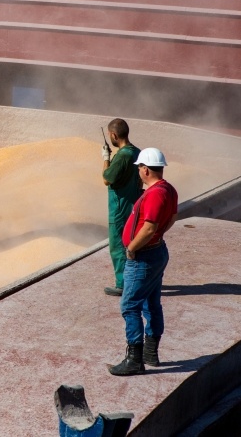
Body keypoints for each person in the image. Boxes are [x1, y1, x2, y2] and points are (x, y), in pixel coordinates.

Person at [108, 147, 178, 376]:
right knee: (151, 303)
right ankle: (150, 354)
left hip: (143, 257)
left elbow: (149, 228)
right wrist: (158, 236)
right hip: (156, 253)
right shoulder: (168, 189)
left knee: (130, 306)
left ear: (146, 169)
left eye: (139, 167)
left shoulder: (155, 194)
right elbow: (172, 218)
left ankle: (134, 360)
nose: (139, 171)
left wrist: (132, 248)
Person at [101, 118, 142, 296]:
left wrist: (106, 158)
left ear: (113, 135)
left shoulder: (123, 156)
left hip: (119, 207)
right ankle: (136, 280)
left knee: (118, 246)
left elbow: (106, 178)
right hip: (134, 203)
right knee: (133, 244)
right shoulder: (137, 152)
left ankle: (122, 284)